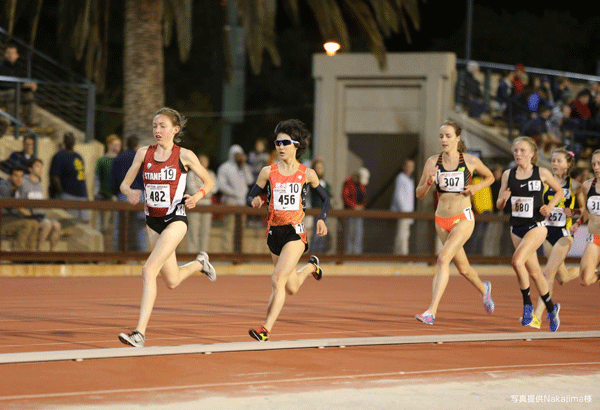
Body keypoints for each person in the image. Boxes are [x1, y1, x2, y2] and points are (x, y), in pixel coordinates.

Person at [118, 108, 217, 348]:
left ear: (175, 129)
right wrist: (130, 191)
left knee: (148, 271)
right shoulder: (144, 153)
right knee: (171, 280)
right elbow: (124, 184)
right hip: (152, 221)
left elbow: (210, 182)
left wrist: (197, 196)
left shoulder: (184, 155)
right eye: (154, 126)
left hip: (175, 219)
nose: (157, 131)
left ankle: (139, 333)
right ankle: (199, 263)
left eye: (162, 126)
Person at [246, 119, 330, 341]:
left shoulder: (307, 173)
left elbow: (325, 199)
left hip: (295, 233)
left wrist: (322, 219)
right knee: (290, 286)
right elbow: (251, 195)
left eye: (285, 142)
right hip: (274, 233)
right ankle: (312, 267)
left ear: (296, 145)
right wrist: (253, 200)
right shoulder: (268, 172)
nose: (280, 147)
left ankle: (265, 329)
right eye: (277, 143)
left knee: (277, 280)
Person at [414, 120, 495, 325]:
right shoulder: (432, 162)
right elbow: (419, 194)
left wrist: (475, 189)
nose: (444, 140)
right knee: (464, 268)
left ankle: (431, 311)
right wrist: (429, 183)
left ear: (458, 138)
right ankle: (484, 290)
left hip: (463, 218)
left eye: (448, 136)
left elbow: (491, 177)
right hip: (441, 220)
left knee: (443, 259)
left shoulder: (470, 161)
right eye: (441, 136)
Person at [496, 136, 563, 332]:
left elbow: (558, 191)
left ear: (532, 153)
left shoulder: (541, 172)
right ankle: (552, 309)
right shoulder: (508, 175)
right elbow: (499, 204)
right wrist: (503, 199)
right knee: (534, 272)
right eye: (515, 150)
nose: (518, 154)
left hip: (537, 225)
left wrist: (550, 206)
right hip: (516, 228)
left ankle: (527, 306)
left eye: (522, 150)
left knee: (517, 262)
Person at [529, 148, 582, 328]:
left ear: (568, 165)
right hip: (546, 231)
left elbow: (585, 209)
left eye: (559, 161)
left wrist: (574, 211)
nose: (554, 164)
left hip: (564, 234)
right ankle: (590, 271)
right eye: (552, 161)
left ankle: (537, 316)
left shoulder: (574, 185)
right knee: (563, 277)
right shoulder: (544, 183)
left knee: (547, 274)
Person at [110, 134, 147, 251]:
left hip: (124, 194)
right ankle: (142, 254)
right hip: (141, 195)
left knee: (120, 227)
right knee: (141, 227)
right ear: (137, 145)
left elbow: (113, 178)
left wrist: (116, 192)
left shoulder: (119, 158)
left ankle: (118, 253)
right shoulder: (142, 158)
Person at [217, 144, 253, 252]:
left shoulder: (244, 167)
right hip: (230, 201)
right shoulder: (225, 167)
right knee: (229, 228)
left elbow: (250, 181)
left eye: (240, 155)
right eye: (236, 155)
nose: (238, 157)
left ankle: (239, 252)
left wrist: (244, 166)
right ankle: (226, 252)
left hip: (242, 202)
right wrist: (234, 193)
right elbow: (221, 185)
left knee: (240, 229)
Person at [572, 149, 600, 288]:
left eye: (599, 164)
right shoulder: (587, 186)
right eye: (594, 164)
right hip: (595, 237)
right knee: (585, 279)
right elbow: (588, 211)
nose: (596, 167)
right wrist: (578, 222)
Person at [20, 158, 62, 251]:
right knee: (48, 225)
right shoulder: (23, 183)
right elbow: (19, 202)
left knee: (57, 225)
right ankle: (39, 251)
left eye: (41, 167)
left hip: (41, 215)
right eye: (37, 166)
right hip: (30, 216)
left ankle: (52, 252)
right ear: (30, 169)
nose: (40, 169)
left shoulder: (39, 184)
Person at [49, 132, 89, 223]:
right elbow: (55, 176)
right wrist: (61, 193)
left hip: (81, 194)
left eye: (72, 139)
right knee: (73, 222)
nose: (70, 141)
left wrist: (86, 194)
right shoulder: (59, 156)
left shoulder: (78, 156)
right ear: (64, 141)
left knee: (85, 220)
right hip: (68, 194)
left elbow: (82, 175)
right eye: (67, 139)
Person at [0, 166, 39, 251]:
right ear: (10, 176)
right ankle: (18, 253)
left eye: (21, 176)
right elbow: (15, 206)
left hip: (14, 217)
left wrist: (28, 213)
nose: (19, 179)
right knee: (27, 224)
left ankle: (31, 255)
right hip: (3, 218)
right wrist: (26, 212)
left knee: (35, 223)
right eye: (16, 176)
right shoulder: (4, 187)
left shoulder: (21, 187)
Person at [94, 134, 121, 250]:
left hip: (118, 196)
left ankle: (114, 250)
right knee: (104, 226)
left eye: (119, 145)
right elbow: (97, 178)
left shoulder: (121, 160)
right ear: (109, 145)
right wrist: (97, 192)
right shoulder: (102, 160)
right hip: (105, 195)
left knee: (115, 227)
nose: (117, 147)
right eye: (115, 144)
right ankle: (105, 251)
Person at [185, 153, 217, 253]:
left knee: (205, 230)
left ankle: (203, 254)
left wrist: (202, 191)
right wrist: (205, 190)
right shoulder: (191, 173)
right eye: (201, 161)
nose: (203, 163)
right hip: (194, 204)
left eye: (205, 161)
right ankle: (191, 253)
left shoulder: (211, 173)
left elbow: (215, 188)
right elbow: (191, 188)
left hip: (207, 204)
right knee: (193, 230)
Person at [0, 42, 37, 125]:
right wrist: (20, 85)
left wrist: (30, 85)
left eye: (12, 53)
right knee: (13, 93)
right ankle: (14, 123)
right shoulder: (1, 66)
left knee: (29, 95)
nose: (10, 55)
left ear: (17, 55)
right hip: (3, 93)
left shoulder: (19, 67)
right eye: (8, 53)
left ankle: (28, 123)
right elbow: (3, 84)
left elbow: (23, 82)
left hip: (15, 91)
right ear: (5, 54)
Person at [342, 167, 369, 254]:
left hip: (359, 212)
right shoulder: (348, 182)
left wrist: (361, 206)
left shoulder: (361, 185)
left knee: (359, 232)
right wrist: (354, 206)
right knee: (349, 232)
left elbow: (363, 198)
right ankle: (348, 252)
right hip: (350, 211)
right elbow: (345, 197)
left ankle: (357, 252)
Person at [391, 158, 415, 255]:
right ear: (404, 167)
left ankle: (399, 254)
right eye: (408, 166)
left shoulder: (410, 179)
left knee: (405, 234)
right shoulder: (401, 177)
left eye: (411, 166)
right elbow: (399, 195)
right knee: (402, 234)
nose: (409, 168)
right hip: (403, 211)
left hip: (408, 211)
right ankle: (402, 255)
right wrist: (404, 210)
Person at [309, 157, 332, 254]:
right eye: (317, 168)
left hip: (324, 211)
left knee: (322, 234)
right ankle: (313, 254)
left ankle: (319, 254)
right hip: (316, 211)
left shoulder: (325, 183)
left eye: (321, 168)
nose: (320, 170)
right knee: (316, 234)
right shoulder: (312, 183)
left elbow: (328, 195)